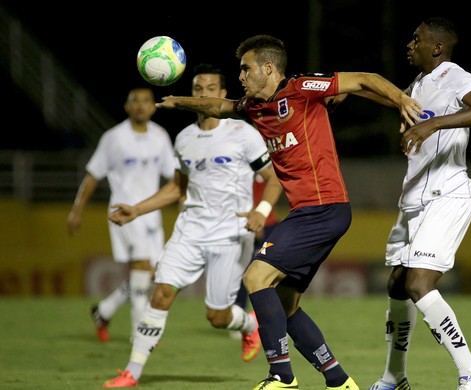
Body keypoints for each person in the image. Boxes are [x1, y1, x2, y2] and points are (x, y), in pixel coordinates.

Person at [155, 34, 423, 390]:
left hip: (323, 207)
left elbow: (362, 79)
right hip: (310, 212)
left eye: (246, 68)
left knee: (254, 278)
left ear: (268, 68)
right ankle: (339, 380)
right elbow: (219, 107)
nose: (241, 76)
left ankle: (281, 376)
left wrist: (403, 100)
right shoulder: (253, 107)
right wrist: (179, 102)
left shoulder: (301, 89)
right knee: (285, 305)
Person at [101, 63, 283, 388]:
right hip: (190, 230)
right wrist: (136, 210)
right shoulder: (184, 138)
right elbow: (176, 189)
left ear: (223, 94)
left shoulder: (244, 135)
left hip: (230, 235)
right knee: (161, 294)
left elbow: (273, 179)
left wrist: (262, 210)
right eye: (197, 89)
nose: (203, 95)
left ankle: (247, 325)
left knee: (217, 317)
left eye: (210, 89)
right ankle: (132, 371)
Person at [366, 18, 471, 390]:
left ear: (436, 48)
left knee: (419, 282)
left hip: (448, 195)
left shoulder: (454, 76)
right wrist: (351, 90)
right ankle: (395, 376)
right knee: (396, 284)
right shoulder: (421, 85)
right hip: (413, 200)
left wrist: (434, 124)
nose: (410, 44)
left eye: (417, 39)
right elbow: (392, 98)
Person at [67, 87, 175, 343]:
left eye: (146, 101)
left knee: (149, 273)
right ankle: (139, 332)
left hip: (150, 214)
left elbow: (173, 177)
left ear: (153, 107)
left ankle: (103, 311)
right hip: (122, 213)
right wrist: (76, 210)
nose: (140, 105)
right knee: (140, 265)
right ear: (127, 107)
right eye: (134, 101)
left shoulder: (160, 136)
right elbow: (92, 175)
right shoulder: (113, 138)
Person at [230, 173, 281, 340]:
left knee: (274, 274)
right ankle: (239, 316)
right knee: (247, 273)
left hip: (271, 224)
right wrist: (256, 218)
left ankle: (277, 321)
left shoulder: (270, 160)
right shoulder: (248, 160)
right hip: (252, 223)